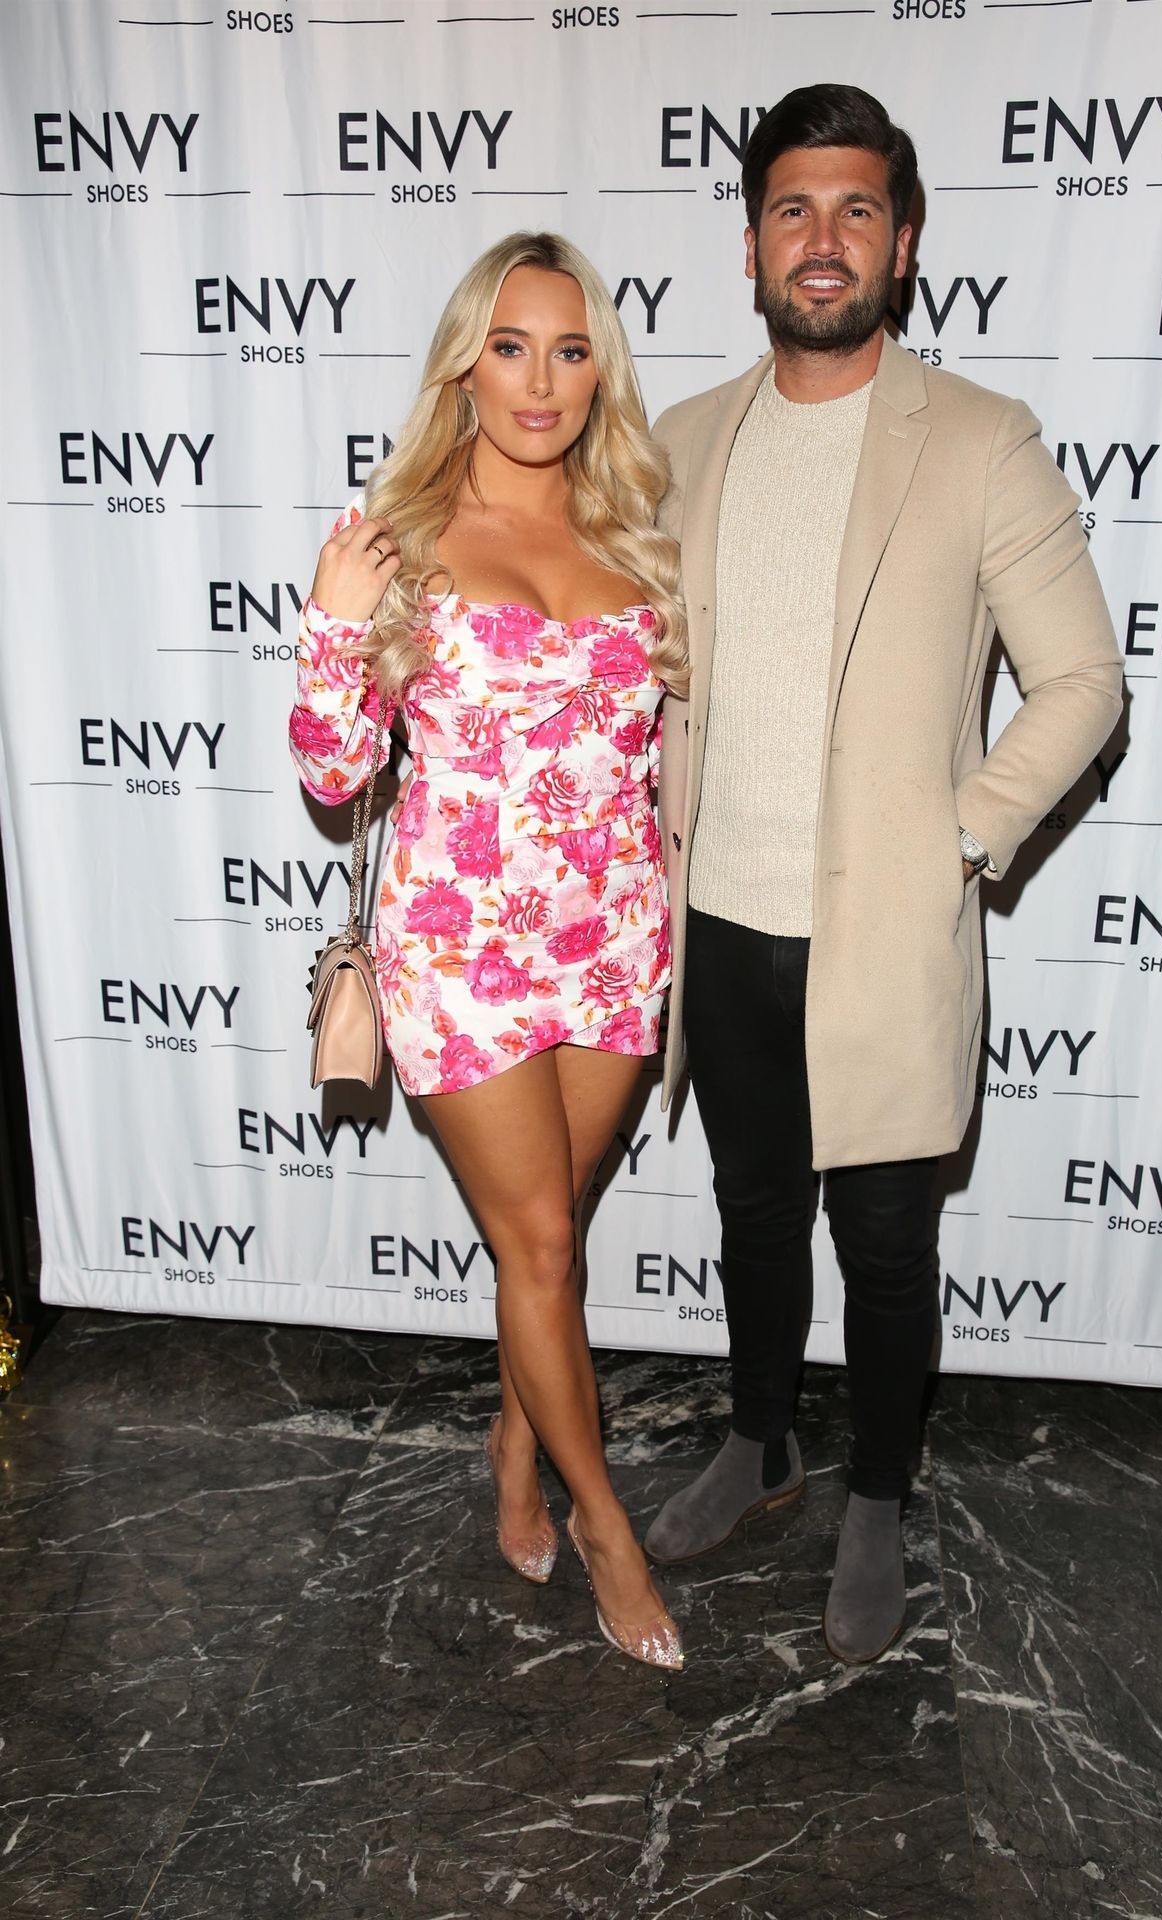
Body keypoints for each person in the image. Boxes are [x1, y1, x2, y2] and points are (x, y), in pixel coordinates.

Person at [643, 85, 1124, 1664]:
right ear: (751, 245)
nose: (823, 238)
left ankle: (877, 1494)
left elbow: (1083, 682)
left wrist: (963, 835)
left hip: (884, 936)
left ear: (902, 243)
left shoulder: (980, 439)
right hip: (721, 919)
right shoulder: (683, 442)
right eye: (793, 208)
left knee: (888, 1247)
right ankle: (760, 1438)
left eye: (857, 209)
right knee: (752, 1213)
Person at [288, 232, 687, 1671]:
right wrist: (334, 628)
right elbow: (337, 776)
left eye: (571, 352)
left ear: (600, 375)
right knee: (541, 1242)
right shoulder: (395, 534)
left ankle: (515, 1451)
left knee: (550, 1237)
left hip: (615, 938)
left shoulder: (634, 529)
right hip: (462, 951)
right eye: (511, 347)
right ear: (465, 364)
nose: (540, 381)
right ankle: (605, 1524)